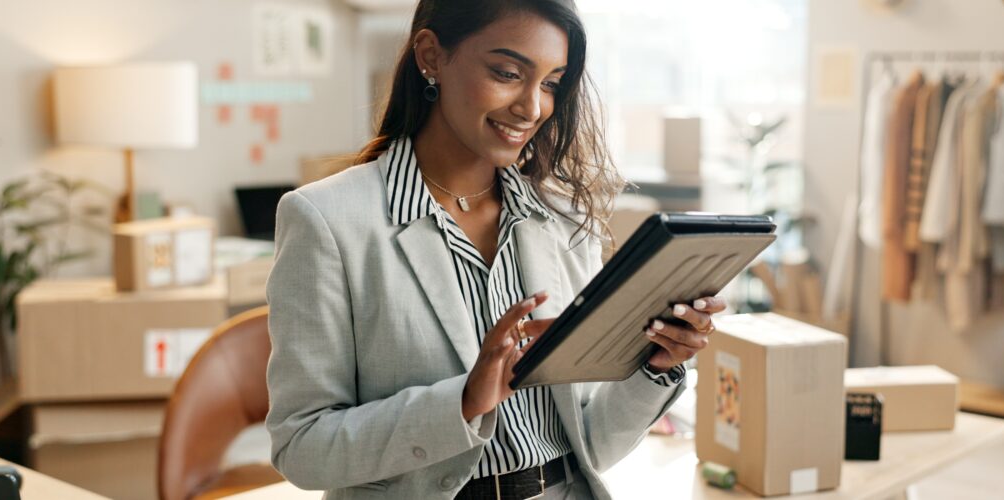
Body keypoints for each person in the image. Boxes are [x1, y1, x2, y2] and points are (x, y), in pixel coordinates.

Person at [265, 1, 724, 498]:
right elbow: (302, 447)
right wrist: (462, 402)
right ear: (431, 56)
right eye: (507, 73)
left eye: (550, 83)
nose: (532, 107)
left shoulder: (567, 220)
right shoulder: (327, 220)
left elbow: (590, 444)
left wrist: (656, 365)